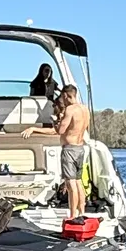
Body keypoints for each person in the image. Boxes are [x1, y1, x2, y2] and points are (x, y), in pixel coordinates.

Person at [53, 82, 90, 216]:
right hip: (80, 148)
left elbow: (61, 130)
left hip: (69, 149)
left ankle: (73, 215)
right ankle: (82, 212)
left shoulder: (70, 110)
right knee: (79, 181)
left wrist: (56, 123)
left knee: (71, 183)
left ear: (66, 96)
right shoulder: (85, 109)